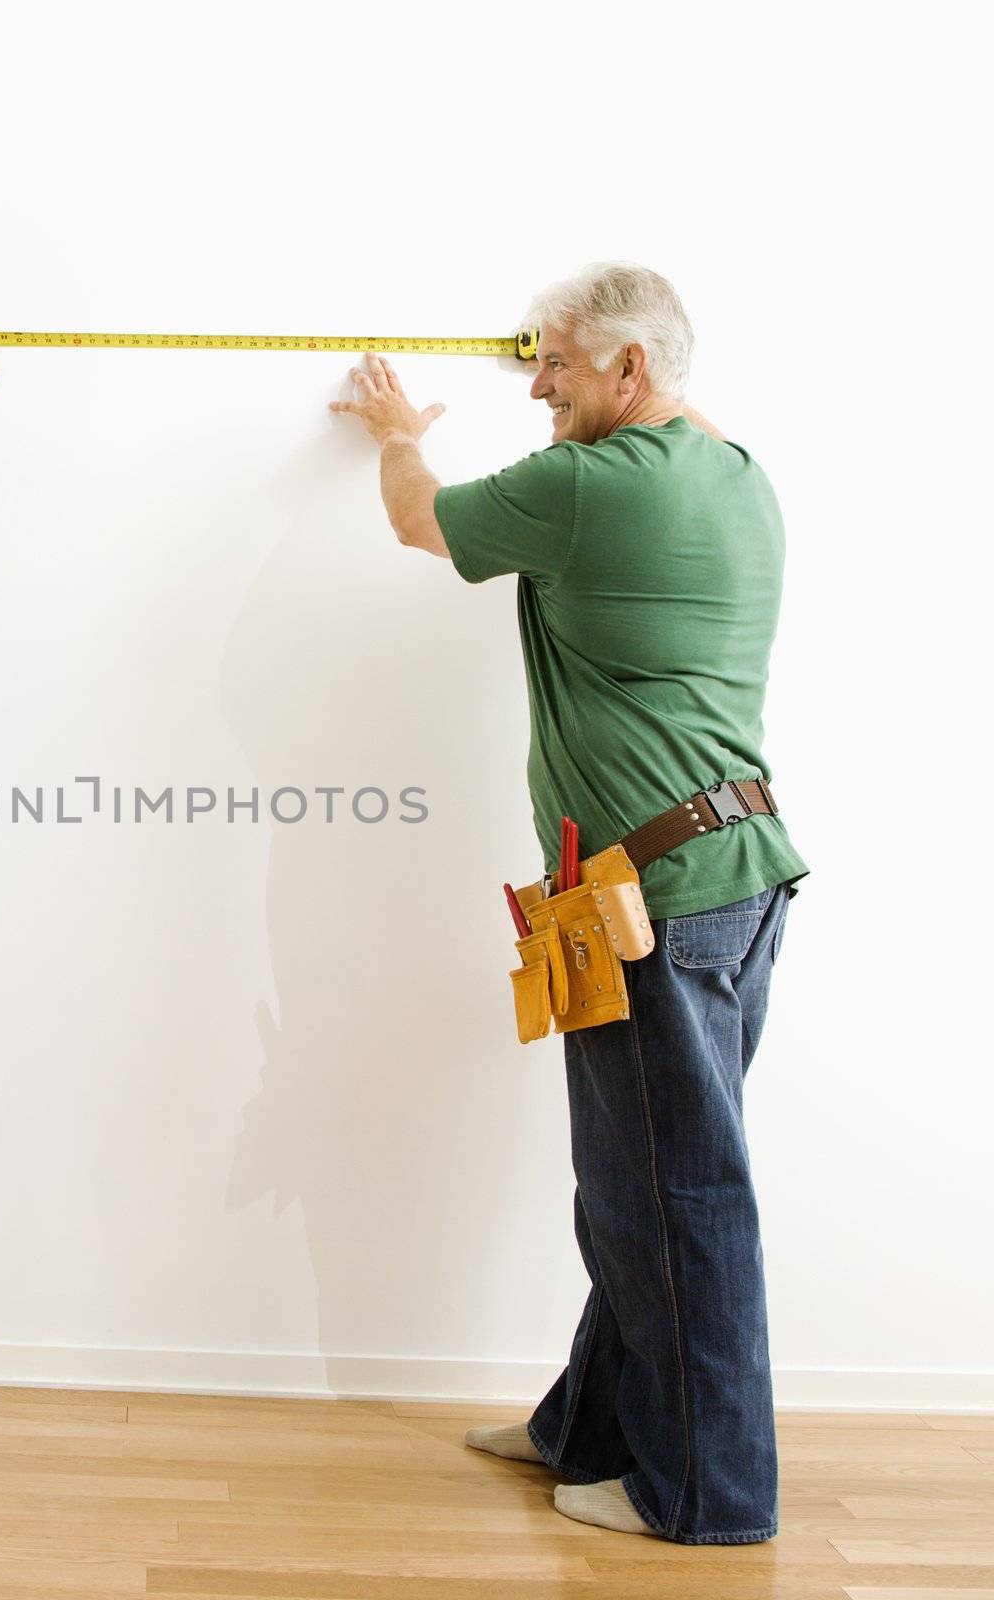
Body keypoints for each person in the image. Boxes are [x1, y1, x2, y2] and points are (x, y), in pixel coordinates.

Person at [329, 262, 808, 1545]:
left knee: (668, 1194)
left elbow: (419, 522)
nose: (532, 384)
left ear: (631, 374)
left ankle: (708, 1495)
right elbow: (675, 406)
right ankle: (584, 1426)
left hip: (653, 896)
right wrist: (587, 367)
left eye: (554, 363)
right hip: (738, 878)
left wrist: (394, 433)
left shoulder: (589, 488)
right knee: (652, 1181)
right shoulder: (736, 473)